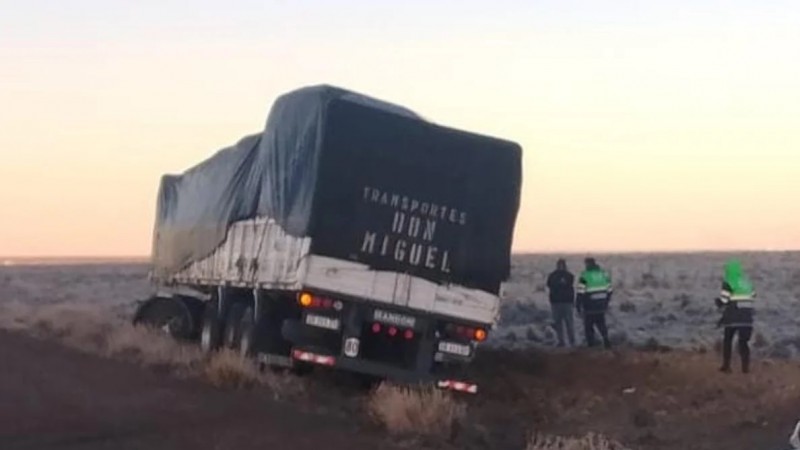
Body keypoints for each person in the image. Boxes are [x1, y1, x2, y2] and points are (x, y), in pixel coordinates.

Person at [715, 259, 756, 373]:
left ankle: (726, 366)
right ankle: (745, 369)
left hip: (732, 317)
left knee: (728, 340)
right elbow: (753, 295)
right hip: (747, 318)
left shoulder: (728, 282)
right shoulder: (747, 282)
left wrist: (718, 303)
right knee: (743, 343)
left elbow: (724, 299)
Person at [576, 257, 613, 349]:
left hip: (589, 306)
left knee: (589, 326)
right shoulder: (603, 274)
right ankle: (606, 341)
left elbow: (580, 291)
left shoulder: (585, 275)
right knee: (601, 324)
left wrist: (578, 305)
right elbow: (610, 290)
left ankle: (591, 346)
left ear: (587, 264)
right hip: (601, 305)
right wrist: (606, 302)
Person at [546, 259, 576, 347]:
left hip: (566, 303)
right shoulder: (553, 276)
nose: (560, 267)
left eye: (562, 265)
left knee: (569, 323)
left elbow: (569, 283)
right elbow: (549, 284)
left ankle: (572, 341)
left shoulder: (568, 276)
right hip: (556, 302)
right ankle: (561, 341)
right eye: (559, 265)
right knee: (558, 323)